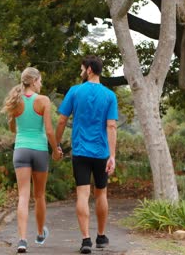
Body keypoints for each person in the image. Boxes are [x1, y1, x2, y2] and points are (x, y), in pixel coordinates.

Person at [55, 55, 118, 254]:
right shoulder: (109, 95)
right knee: (101, 193)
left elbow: (61, 121)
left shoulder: (74, 91)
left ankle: (85, 240)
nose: (81, 72)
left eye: (82, 68)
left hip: (80, 151)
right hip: (101, 153)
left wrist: (56, 144)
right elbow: (111, 126)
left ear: (89, 69)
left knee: (83, 194)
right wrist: (112, 156)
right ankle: (100, 236)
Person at [1, 67, 62, 253]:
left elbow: (13, 129)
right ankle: (40, 233)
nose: (41, 84)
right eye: (40, 81)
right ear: (34, 81)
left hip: (21, 150)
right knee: (40, 195)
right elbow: (50, 131)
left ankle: (21, 240)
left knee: (23, 196)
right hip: (40, 150)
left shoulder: (16, 101)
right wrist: (56, 149)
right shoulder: (43, 100)